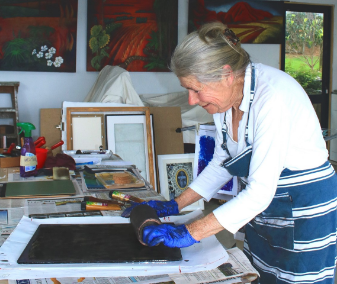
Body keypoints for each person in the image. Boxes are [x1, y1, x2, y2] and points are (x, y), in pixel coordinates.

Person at [122, 22, 337, 284]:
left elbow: (258, 193)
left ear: (226, 74)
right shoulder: (227, 99)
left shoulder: (272, 99)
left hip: (302, 205)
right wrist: (175, 205)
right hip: (265, 205)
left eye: (196, 89)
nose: (191, 100)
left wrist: (189, 232)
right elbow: (223, 162)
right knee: (261, 275)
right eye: (187, 89)